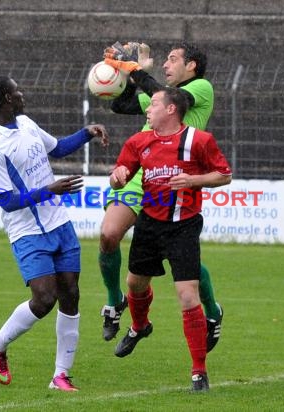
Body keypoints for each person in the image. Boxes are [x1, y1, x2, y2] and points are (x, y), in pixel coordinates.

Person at [0, 76, 109, 391]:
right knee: (44, 298)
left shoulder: (26, 123)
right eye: (17, 89)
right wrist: (49, 189)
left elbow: (59, 149)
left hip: (58, 224)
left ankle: (60, 376)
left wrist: (87, 133)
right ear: (7, 97)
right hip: (27, 232)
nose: (23, 93)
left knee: (71, 294)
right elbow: (7, 201)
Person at [98, 42, 223, 351]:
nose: (166, 64)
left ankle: (213, 312)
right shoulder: (159, 99)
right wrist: (120, 76)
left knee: (183, 263)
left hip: (172, 184)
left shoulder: (200, 88)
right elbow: (121, 104)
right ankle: (115, 303)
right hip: (139, 176)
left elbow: (170, 96)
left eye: (173, 59)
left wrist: (136, 69)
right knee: (109, 234)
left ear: (191, 66)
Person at [109, 87, 232, 391]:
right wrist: (117, 177)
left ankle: (199, 372)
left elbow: (224, 174)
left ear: (171, 110)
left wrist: (194, 180)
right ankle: (139, 326)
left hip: (184, 226)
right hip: (150, 223)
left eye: (153, 104)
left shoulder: (198, 140)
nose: (147, 110)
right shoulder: (139, 141)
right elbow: (119, 174)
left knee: (187, 295)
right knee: (135, 284)